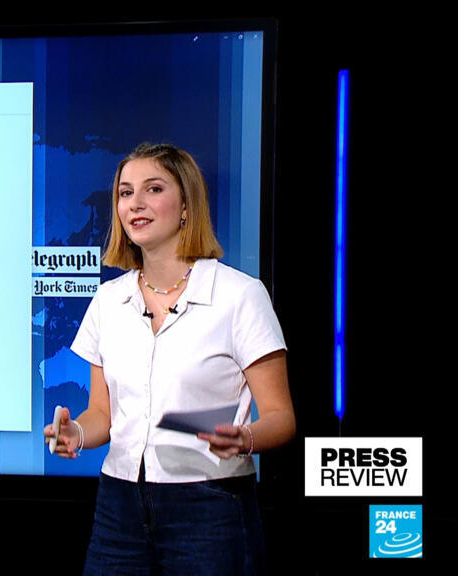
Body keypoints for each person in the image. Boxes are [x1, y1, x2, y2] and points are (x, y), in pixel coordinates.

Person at [44, 143, 295, 575]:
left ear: (186, 207)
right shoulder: (109, 300)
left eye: (153, 189)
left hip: (210, 504)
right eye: (125, 193)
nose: (135, 203)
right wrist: (76, 434)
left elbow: (281, 417)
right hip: (119, 506)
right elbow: (103, 413)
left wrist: (245, 438)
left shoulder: (239, 296)